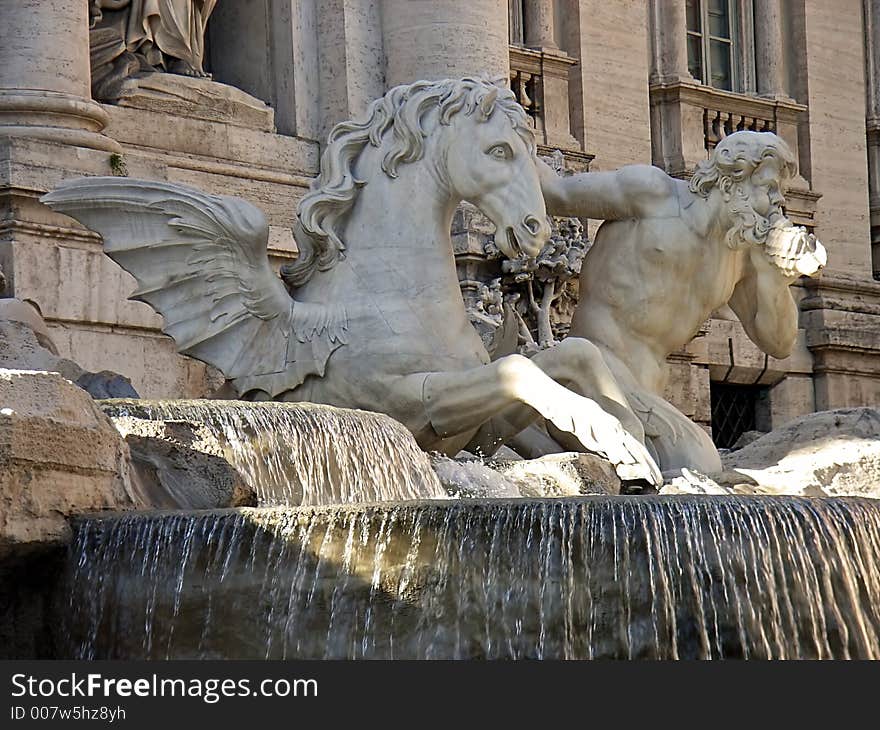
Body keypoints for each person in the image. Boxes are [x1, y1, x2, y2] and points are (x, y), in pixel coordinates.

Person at [538, 131, 826, 473]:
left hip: (648, 396)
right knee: (697, 461)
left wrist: (776, 274)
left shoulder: (742, 255)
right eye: (769, 188)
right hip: (591, 374)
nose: (779, 202)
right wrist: (512, 136)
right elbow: (554, 193)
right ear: (732, 181)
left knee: (691, 468)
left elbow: (778, 343)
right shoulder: (652, 194)